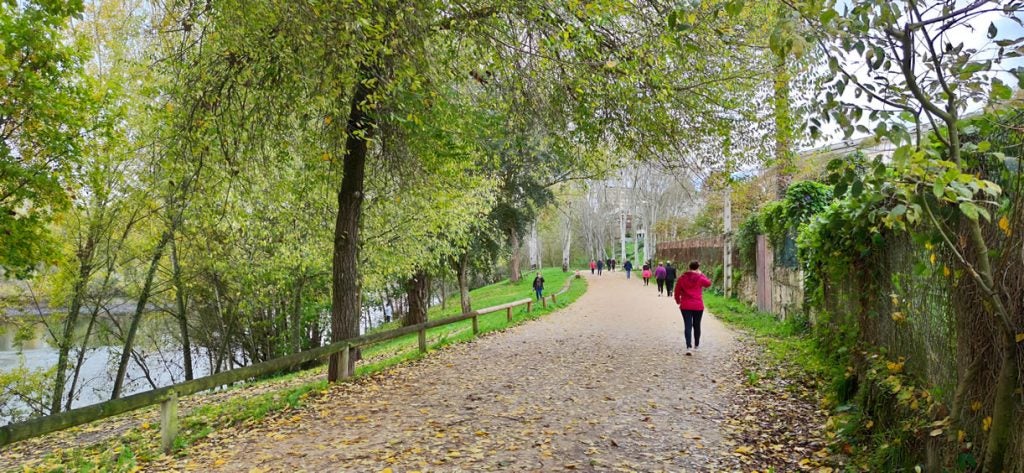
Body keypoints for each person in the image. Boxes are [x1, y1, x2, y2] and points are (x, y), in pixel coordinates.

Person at [674, 261, 712, 356]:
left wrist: (678, 301)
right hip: (698, 305)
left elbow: (677, 291)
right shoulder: (700, 278)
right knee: (697, 325)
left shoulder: (682, 278)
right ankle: (697, 345)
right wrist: (701, 274)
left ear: (689, 267)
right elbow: (708, 283)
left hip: (685, 305)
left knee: (688, 325)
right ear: (698, 268)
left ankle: (688, 347)